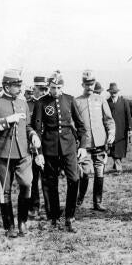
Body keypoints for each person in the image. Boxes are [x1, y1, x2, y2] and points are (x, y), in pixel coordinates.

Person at [0, 69, 42, 238]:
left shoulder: (23, 102)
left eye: (20, 85)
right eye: (16, 85)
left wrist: (33, 135)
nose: (19, 88)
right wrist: (6, 121)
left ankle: (23, 222)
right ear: (6, 86)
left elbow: (27, 126)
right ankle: (9, 226)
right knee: (5, 190)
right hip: (2, 153)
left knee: (27, 184)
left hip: (23, 153)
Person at [32, 71, 88, 232]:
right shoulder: (41, 103)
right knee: (50, 184)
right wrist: (39, 152)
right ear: (48, 87)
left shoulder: (70, 100)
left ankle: (70, 217)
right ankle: (54, 218)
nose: (55, 90)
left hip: (69, 147)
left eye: (58, 87)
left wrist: (83, 146)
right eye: (52, 87)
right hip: (49, 148)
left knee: (74, 179)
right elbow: (37, 130)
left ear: (62, 87)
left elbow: (81, 126)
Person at [75, 70, 115, 211]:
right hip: (85, 144)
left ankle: (97, 202)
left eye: (92, 83)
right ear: (82, 84)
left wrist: (111, 133)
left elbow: (109, 120)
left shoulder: (100, 99)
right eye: (87, 84)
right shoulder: (77, 101)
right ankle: (79, 200)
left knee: (99, 172)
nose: (90, 86)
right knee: (84, 173)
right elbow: (74, 124)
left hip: (100, 142)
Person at [27, 75, 50, 219]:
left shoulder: (48, 103)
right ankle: (34, 207)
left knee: (47, 178)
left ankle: (49, 208)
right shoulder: (27, 104)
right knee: (32, 179)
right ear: (34, 88)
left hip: (47, 147)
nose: (43, 91)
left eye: (45, 89)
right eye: (40, 88)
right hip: (30, 149)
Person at [106, 82, 132, 173]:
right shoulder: (107, 102)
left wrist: (130, 128)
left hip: (122, 129)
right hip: (112, 130)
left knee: (121, 148)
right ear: (109, 92)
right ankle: (118, 167)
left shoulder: (124, 102)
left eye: (115, 92)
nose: (113, 93)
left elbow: (128, 116)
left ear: (117, 92)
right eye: (112, 92)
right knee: (113, 148)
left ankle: (117, 163)